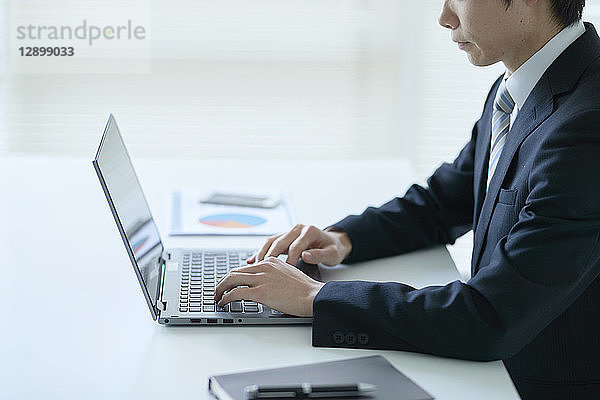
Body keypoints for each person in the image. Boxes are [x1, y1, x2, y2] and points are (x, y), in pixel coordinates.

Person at [215, 0, 600, 398]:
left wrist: (316, 297)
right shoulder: (523, 85)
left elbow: (492, 316)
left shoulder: (586, 124)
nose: (445, 16)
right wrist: (342, 240)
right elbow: (444, 200)